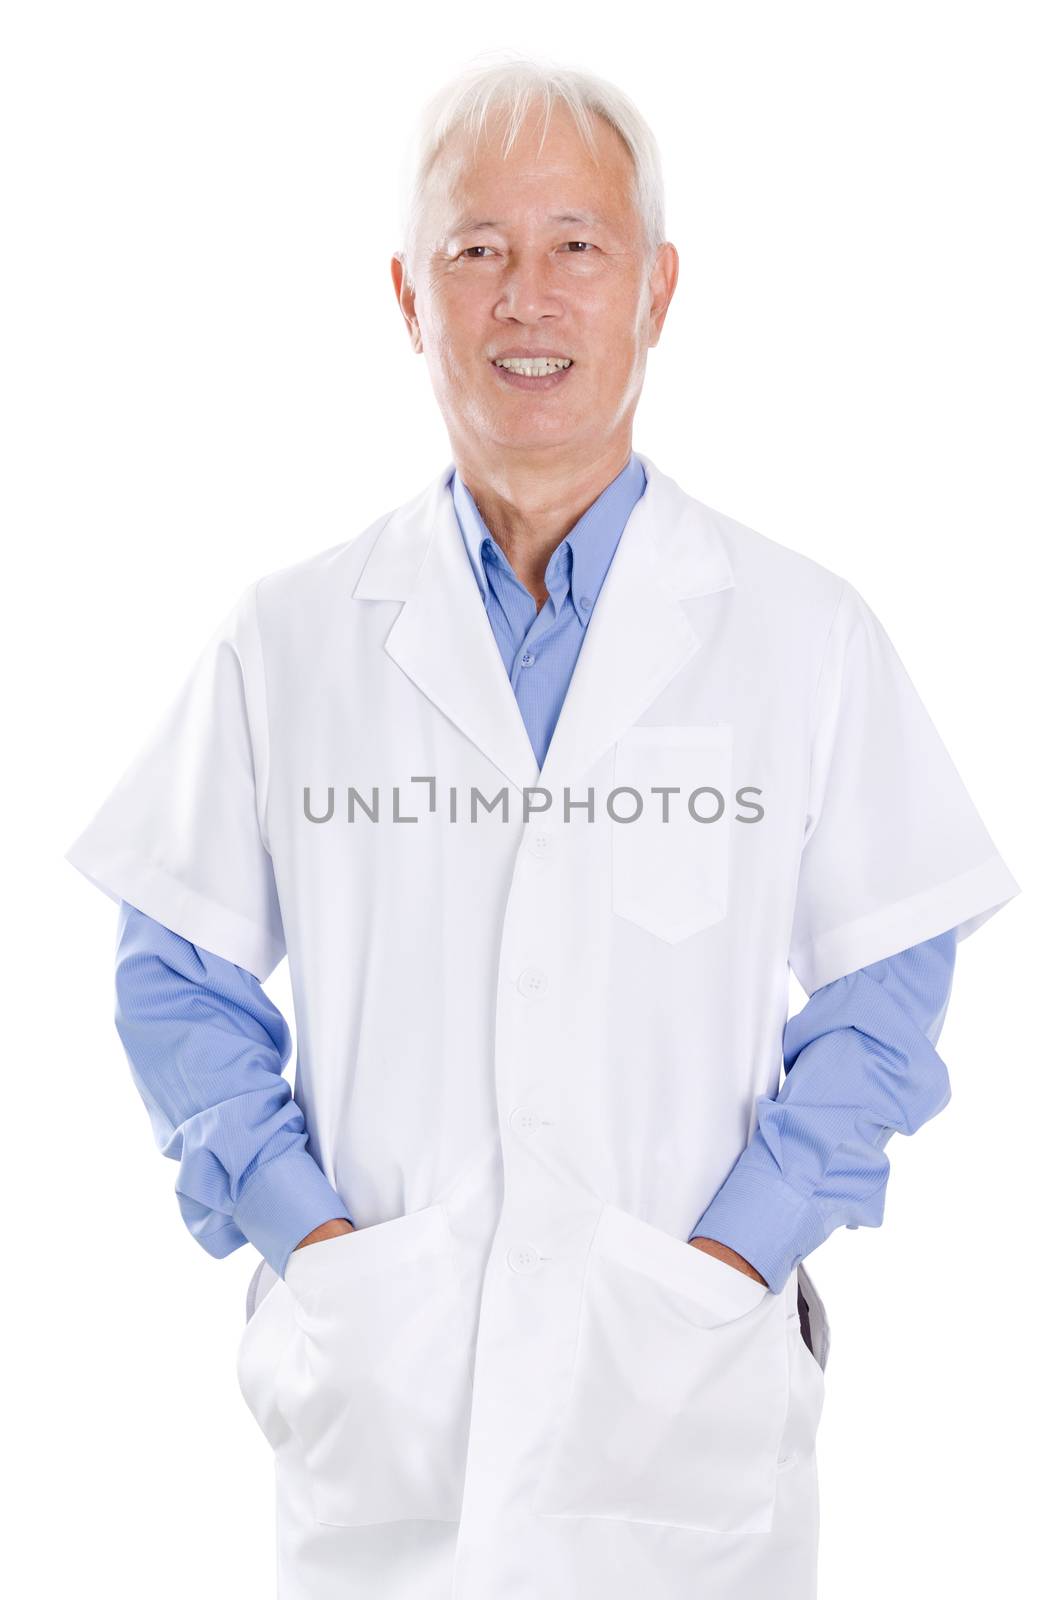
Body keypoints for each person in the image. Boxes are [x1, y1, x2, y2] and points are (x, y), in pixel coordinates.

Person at [64, 54, 1019, 1600]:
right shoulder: (291, 636)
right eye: (476, 250)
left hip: (681, 1421)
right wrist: (312, 1247)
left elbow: (889, 981)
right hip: (393, 1417)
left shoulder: (797, 629)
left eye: (578, 245)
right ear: (405, 294)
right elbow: (171, 970)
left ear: (658, 290)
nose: (528, 297)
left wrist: (733, 1260)